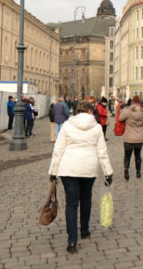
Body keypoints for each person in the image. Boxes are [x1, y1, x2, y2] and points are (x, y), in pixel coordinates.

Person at [48, 100, 113, 253]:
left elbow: (58, 149)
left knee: (71, 204)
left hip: (69, 168)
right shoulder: (97, 128)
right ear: (91, 111)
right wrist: (108, 172)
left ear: (77, 111)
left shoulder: (67, 125)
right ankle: (84, 229)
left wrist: (53, 171)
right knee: (85, 198)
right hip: (89, 168)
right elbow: (102, 152)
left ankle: (72, 240)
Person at [117, 96, 143, 180]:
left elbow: (119, 119)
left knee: (127, 155)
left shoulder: (127, 111)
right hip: (139, 138)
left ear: (132, 102)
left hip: (129, 137)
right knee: (138, 155)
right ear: (139, 103)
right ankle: (138, 172)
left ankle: (126, 170)